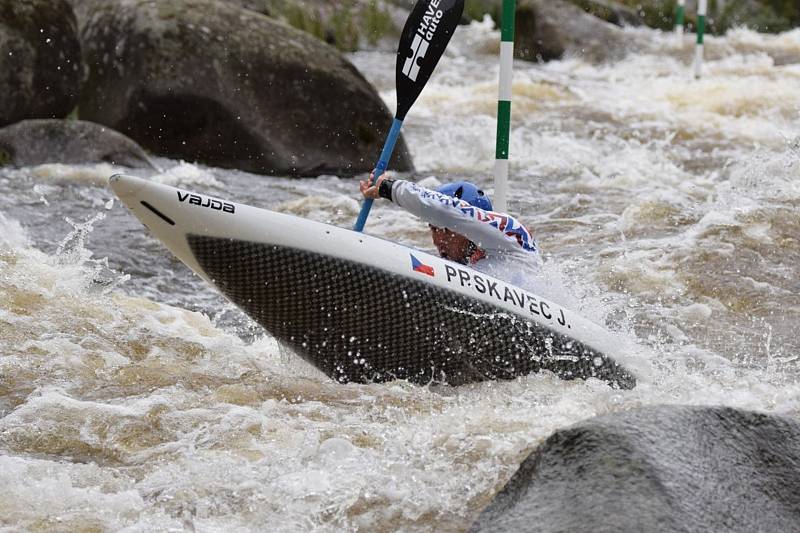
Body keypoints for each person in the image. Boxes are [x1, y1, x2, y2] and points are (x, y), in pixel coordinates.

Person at [360, 173, 541, 290]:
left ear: (467, 226)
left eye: (442, 230)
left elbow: (444, 210)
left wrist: (390, 188)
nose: (437, 241)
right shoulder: (469, 267)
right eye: (433, 230)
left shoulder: (511, 235)